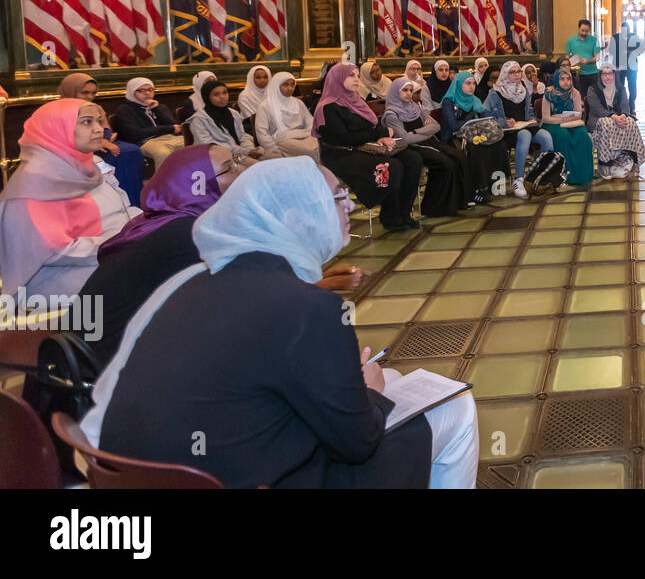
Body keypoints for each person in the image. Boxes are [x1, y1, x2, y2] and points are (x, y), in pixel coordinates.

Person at [80, 158, 479, 489]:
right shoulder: (311, 308)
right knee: (453, 407)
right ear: (295, 217)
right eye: (338, 198)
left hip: (135, 472)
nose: (351, 207)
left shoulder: (192, 278)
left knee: (388, 376)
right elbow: (357, 443)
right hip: (239, 480)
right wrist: (371, 392)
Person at [80, 145, 362, 363]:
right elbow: (249, 314)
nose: (243, 171)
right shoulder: (191, 236)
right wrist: (318, 289)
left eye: (237, 160)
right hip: (114, 368)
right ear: (195, 184)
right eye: (229, 168)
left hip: (111, 354)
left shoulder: (167, 220)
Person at [0, 99, 139, 299]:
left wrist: (145, 226)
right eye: (86, 122)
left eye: (100, 121)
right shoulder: (36, 182)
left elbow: (123, 207)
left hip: (108, 255)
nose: (99, 129)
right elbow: (57, 250)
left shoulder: (93, 163)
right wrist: (124, 242)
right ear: (56, 129)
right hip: (61, 281)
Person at [314, 63, 423, 233]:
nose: (356, 79)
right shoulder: (327, 107)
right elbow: (344, 138)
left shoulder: (355, 101)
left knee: (413, 159)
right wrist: (375, 136)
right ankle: (391, 216)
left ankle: (404, 212)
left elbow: (375, 125)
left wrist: (383, 135)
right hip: (342, 154)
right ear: (337, 79)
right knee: (392, 166)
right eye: (351, 76)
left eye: (357, 75)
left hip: (367, 148)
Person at [384, 78, 469, 215]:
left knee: (458, 157)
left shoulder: (415, 107)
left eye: (411, 90)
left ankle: (458, 202)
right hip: (412, 147)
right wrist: (426, 132)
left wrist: (417, 131)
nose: (409, 93)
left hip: (428, 141)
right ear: (395, 92)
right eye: (404, 90)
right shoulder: (391, 114)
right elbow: (406, 138)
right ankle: (435, 206)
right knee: (446, 163)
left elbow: (436, 126)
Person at [57, 73, 145, 207]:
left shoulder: (95, 108)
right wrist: (97, 141)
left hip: (102, 144)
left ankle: (134, 204)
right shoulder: (57, 110)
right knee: (122, 155)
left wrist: (104, 139)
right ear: (71, 91)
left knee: (132, 151)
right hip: (72, 149)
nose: (90, 97)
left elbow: (106, 129)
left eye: (93, 93)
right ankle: (121, 204)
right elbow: (60, 136)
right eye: (85, 93)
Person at [486, 61, 554, 197]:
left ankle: (542, 176)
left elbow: (528, 110)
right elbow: (487, 116)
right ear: (505, 74)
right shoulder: (495, 92)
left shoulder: (523, 88)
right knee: (524, 135)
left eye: (519, 72)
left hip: (524, 126)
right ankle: (519, 179)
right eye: (513, 72)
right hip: (507, 131)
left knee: (546, 136)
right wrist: (504, 122)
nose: (517, 75)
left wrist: (532, 120)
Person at [441, 71, 510, 203]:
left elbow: (485, 119)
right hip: (455, 139)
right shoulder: (448, 101)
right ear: (459, 84)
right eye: (468, 83)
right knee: (476, 149)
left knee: (498, 144)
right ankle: (479, 188)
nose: (472, 87)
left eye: (473, 83)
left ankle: (493, 183)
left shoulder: (475, 100)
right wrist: (470, 123)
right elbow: (453, 125)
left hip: (474, 134)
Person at [586, 64, 645, 179]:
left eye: (610, 73)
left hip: (617, 120)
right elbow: (597, 109)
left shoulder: (620, 88)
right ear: (600, 75)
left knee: (631, 122)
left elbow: (625, 104)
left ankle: (633, 159)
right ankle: (604, 163)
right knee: (606, 122)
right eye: (604, 74)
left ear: (614, 75)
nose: (607, 77)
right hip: (597, 120)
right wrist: (613, 117)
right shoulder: (593, 89)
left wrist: (624, 115)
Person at [539, 67, 594, 187]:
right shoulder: (548, 93)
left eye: (568, 79)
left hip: (571, 124)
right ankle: (563, 176)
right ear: (555, 80)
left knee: (582, 136)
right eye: (562, 79)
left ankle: (583, 175)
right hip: (552, 125)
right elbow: (546, 118)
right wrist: (565, 118)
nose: (566, 82)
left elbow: (578, 115)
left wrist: (561, 117)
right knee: (563, 136)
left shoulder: (575, 93)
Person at [112, 78, 185, 164]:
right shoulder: (125, 110)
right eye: (141, 90)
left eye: (150, 89)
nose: (147, 93)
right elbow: (135, 134)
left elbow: (175, 126)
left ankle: (191, 176)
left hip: (170, 138)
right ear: (132, 92)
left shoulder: (159, 107)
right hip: (146, 142)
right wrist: (169, 128)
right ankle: (165, 177)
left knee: (195, 145)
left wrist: (156, 109)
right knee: (163, 153)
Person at [189, 80, 264, 161]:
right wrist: (245, 152)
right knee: (256, 166)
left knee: (269, 157)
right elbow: (210, 146)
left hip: (239, 153)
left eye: (225, 93)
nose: (222, 97)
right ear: (207, 97)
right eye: (216, 94)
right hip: (218, 158)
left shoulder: (234, 114)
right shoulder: (199, 119)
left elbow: (242, 137)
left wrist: (250, 149)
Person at [256, 73, 321, 162]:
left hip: (304, 135)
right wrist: (273, 149)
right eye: (285, 85)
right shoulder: (265, 106)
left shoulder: (298, 103)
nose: (290, 88)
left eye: (292, 85)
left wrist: (310, 134)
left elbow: (311, 123)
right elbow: (262, 133)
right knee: (310, 150)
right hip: (283, 139)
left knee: (321, 146)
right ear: (276, 85)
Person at [606, 21, 642, 117]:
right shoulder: (615, 37)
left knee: (632, 87)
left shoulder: (634, 37)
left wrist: (628, 52)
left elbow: (639, 51)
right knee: (618, 87)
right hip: (618, 66)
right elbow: (611, 51)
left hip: (631, 66)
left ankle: (631, 106)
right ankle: (620, 107)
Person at [565, 19, 600, 98]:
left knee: (594, 97)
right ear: (578, 28)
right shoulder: (570, 40)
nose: (584, 33)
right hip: (578, 74)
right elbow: (566, 57)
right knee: (580, 97)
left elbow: (597, 58)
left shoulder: (595, 40)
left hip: (593, 73)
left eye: (586, 31)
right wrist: (571, 62)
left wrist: (588, 61)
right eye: (582, 30)